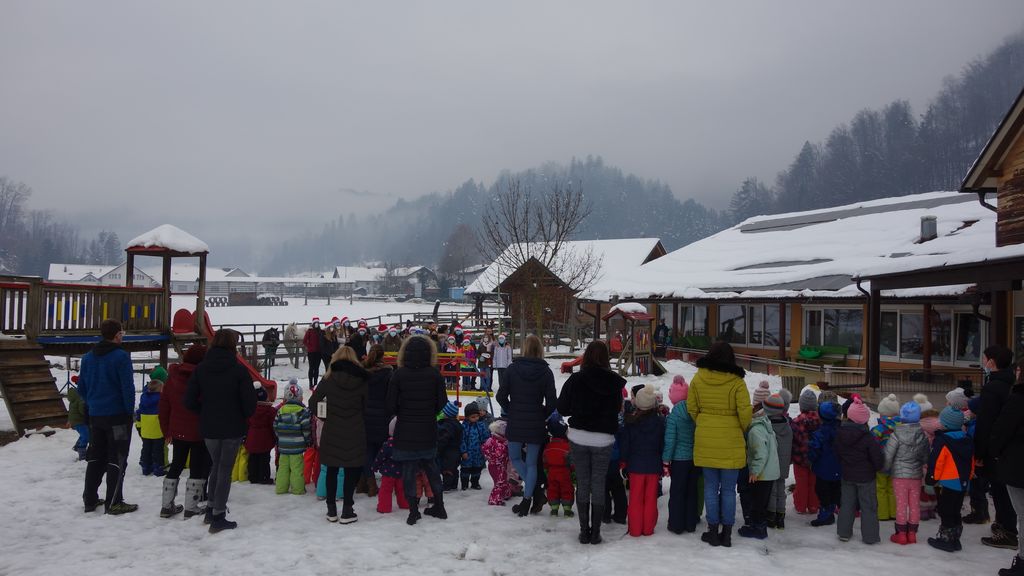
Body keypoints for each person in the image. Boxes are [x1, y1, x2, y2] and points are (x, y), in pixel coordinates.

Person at [185, 329, 257, 533]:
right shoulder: (238, 370)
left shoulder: (201, 369)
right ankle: (218, 515)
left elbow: (189, 401)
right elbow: (250, 403)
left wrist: (204, 411)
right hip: (232, 426)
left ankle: (210, 509)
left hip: (209, 427)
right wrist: (242, 415)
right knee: (224, 470)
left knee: (216, 466)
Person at [557, 339, 627, 545]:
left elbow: (562, 408)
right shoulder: (615, 383)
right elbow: (617, 409)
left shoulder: (576, 380)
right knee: (598, 483)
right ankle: (595, 532)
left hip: (578, 436)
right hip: (603, 439)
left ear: (585, 356)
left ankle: (583, 531)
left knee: (583, 482)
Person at [687, 341, 751, 548]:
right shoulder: (737, 382)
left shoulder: (698, 378)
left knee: (710, 488)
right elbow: (745, 414)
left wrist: (704, 421)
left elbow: (692, 407)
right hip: (731, 439)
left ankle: (712, 531)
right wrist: (738, 428)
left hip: (706, 438)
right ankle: (727, 534)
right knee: (729, 489)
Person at [386, 335, 449, 525]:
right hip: (427, 427)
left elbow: (390, 405)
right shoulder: (434, 374)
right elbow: (442, 403)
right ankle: (440, 505)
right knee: (431, 467)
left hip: (405, 428)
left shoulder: (399, 375)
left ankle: (413, 511)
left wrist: (403, 412)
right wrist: (429, 412)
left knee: (409, 470)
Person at [80, 319, 137, 515]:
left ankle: (89, 499)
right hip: (117, 416)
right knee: (117, 457)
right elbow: (127, 388)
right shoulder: (121, 357)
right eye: (122, 333)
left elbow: (82, 388)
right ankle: (114, 501)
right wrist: (129, 411)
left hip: (95, 416)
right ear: (117, 335)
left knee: (96, 456)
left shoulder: (88, 357)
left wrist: (92, 403)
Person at [497, 334, 557, 517]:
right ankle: (528, 498)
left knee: (515, 458)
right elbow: (552, 402)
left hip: (516, 420)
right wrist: (541, 414)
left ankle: (531, 493)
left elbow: (500, 396)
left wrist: (511, 410)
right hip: (535, 422)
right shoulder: (546, 372)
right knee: (531, 463)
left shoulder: (512, 369)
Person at [310, 345, 370, 523]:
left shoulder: (328, 379)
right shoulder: (362, 380)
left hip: (332, 429)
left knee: (332, 469)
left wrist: (325, 415)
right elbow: (367, 406)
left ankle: (331, 510)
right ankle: (347, 509)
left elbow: (313, 402)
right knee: (351, 470)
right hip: (355, 430)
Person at [974, 345, 1019, 549]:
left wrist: (980, 452)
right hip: (1009, 446)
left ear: (991, 362)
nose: (983, 362)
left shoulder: (993, 388)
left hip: (995, 447)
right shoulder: (1011, 382)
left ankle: (1007, 531)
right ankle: (1003, 524)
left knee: (1000, 490)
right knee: (1003, 489)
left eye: (984, 359)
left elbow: (986, 423)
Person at [158, 344, 210, 520]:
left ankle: (166, 506)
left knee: (176, 464)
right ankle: (191, 507)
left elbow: (164, 405)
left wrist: (166, 430)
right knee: (196, 466)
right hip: (198, 430)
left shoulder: (172, 377)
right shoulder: (203, 378)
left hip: (178, 430)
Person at [989, 359, 1024, 576]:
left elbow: (1001, 431)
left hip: (1018, 465)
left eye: (1018, 369)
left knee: (1023, 513)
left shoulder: (1018, 399)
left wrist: (995, 452)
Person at [834, 397, 884, 544]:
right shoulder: (869, 438)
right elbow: (877, 458)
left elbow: (837, 452)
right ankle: (870, 536)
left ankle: (843, 532)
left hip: (847, 475)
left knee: (847, 504)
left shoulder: (840, 433)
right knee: (869, 506)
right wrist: (878, 467)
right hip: (866, 477)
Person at [619, 383, 666, 537]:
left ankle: (635, 529)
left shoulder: (630, 422)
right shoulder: (660, 422)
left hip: (635, 466)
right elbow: (662, 444)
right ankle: (648, 528)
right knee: (651, 498)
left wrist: (623, 462)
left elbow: (625, 445)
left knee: (635, 498)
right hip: (653, 465)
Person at [926, 406, 974, 552]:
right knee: (955, 510)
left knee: (945, 510)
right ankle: (955, 539)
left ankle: (946, 540)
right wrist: (968, 477)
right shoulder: (966, 439)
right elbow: (971, 460)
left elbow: (937, 461)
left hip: (949, 481)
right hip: (963, 481)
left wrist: (932, 478)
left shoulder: (943, 441)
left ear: (945, 424)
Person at [884, 401, 930, 545]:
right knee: (914, 504)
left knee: (901, 504)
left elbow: (888, 456)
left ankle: (901, 534)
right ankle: (912, 534)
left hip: (899, 476)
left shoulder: (896, 435)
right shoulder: (922, 436)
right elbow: (926, 457)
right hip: (915, 476)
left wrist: (885, 469)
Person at [737, 393, 780, 540]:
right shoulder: (767, 426)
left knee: (757, 503)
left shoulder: (755, 431)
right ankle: (760, 526)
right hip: (770, 472)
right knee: (762, 503)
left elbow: (760, 454)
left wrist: (754, 471)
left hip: (761, 474)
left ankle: (757, 529)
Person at [663, 375, 699, 534]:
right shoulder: (695, 411)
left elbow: (670, 440)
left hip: (679, 460)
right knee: (692, 491)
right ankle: (690, 523)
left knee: (677, 492)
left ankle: (676, 524)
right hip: (694, 458)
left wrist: (666, 460)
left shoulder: (674, 415)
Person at [361, 344, 392, 498]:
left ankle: (369, 482)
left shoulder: (362, 372)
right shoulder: (388, 373)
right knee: (383, 449)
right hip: (383, 415)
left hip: (365, 414)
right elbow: (391, 395)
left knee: (368, 450)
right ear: (383, 356)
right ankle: (387, 481)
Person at [809, 400, 842, 527]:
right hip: (838, 468)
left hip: (823, 470)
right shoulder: (841, 429)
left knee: (822, 492)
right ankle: (833, 508)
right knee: (835, 490)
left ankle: (826, 514)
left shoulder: (820, 433)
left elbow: (814, 450)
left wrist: (811, 458)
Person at [274, 381, 311, 495]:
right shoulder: (303, 412)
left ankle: (281, 488)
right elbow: (306, 428)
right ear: (300, 397)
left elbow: (275, 426)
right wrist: (307, 440)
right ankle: (298, 489)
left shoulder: (280, 410)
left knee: (283, 468)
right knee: (297, 469)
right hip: (297, 447)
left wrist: (280, 437)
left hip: (283, 446)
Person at [790, 388, 821, 515]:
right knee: (814, 484)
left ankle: (800, 506)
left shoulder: (796, 422)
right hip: (816, 459)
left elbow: (793, 440)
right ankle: (814, 506)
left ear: (801, 406)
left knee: (801, 483)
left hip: (800, 459)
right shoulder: (820, 420)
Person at [765, 391, 793, 530]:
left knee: (772, 490)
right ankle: (781, 516)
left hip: (771, 464)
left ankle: (771, 516)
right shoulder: (787, 426)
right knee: (781, 490)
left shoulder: (767, 427)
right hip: (783, 464)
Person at [872, 394, 901, 524]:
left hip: (882, 463)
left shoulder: (878, 430)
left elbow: (873, 447)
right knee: (893, 488)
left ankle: (882, 513)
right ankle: (894, 513)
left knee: (880, 488)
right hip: (897, 463)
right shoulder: (902, 428)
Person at [373, 418, 409, 513]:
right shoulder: (406, 444)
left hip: (388, 472)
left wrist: (375, 466)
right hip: (402, 472)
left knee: (386, 490)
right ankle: (405, 504)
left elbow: (380, 456)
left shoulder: (388, 444)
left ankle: (384, 507)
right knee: (402, 489)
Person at [136, 366, 167, 477]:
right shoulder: (161, 399)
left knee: (146, 448)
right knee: (158, 450)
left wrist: (139, 426)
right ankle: (158, 467)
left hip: (145, 430)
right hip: (157, 430)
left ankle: (145, 466)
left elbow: (138, 413)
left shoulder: (143, 398)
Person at [544, 415, 574, 517]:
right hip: (565, 472)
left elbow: (545, 460)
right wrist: (573, 471)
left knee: (552, 490)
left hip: (551, 473)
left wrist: (546, 469)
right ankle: (567, 510)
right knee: (567, 490)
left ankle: (554, 509)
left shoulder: (548, 446)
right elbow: (572, 461)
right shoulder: (567, 446)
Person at [246, 386, 277, 485]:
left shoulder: (249, 409)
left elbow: (246, 423)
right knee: (264, 458)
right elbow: (273, 425)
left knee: (253, 457)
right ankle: (263, 476)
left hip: (252, 437)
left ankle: (252, 476)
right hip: (265, 439)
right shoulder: (270, 411)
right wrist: (275, 437)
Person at [483, 418, 514, 506]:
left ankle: (505, 494)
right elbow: (498, 454)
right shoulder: (498, 443)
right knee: (500, 482)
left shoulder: (492, 439)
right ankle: (494, 499)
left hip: (496, 465)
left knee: (504, 480)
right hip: (497, 466)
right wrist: (506, 450)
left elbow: (484, 448)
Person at [460, 402, 490, 490]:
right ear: (467, 417)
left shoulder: (481, 425)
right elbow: (461, 440)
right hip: (468, 453)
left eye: (477, 416)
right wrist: (463, 451)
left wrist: (486, 449)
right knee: (465, 469)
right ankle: (464, 484)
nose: (476, 418)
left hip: (478, 453)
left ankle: (475, 483)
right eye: (473, 417)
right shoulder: (464, 427)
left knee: (477, 469)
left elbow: (485, 437)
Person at [436, 401, 464, 491]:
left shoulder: (447, 426)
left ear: (447, 414)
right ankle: (454, 484)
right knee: (454, 468)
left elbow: (444, 439)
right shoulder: (456, 423)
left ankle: (447, 485)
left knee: (447, 469)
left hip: (448, 451)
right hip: (456, 450)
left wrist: (438, 449)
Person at [67, 376, 88, 460]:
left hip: (75, 421)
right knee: (86, 435)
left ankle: (77, 446)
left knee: (85, 434)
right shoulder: (80, 398)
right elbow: (82, 410)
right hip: (79, 421)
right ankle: (81, 451)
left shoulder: (74, 398)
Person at [492, 333, 513, 408]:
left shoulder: (507, 347)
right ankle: (501, 388)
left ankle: (506, 388)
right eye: (500, 339)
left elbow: (509, 356)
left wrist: (508, 364)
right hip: (499, 365)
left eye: (502, 339)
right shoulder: (496, 347)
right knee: (500, 377)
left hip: (505, 365)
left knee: (505, 378)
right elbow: (495, 356)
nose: (501, 340)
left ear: (504, 340)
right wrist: (494, 364)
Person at [303, 318, 324, 389]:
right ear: (313, 323)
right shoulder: (309, 331)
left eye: (318, 323)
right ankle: (310, 383)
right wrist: (309, 346)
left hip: (318, 352)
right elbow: (304, 341)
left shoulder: (320, 331)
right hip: (311, 352)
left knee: (316, 368)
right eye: (316, 323)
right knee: (311, 368)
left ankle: (315, 383)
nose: (317, 324)